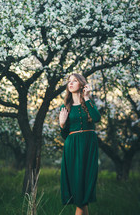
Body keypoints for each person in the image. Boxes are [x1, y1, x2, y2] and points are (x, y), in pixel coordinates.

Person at [59, 73, 101, 215]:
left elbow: (96, 118)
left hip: (89, 146)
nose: (70, 83)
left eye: (74, 81)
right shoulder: (65, 107)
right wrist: (62, 124)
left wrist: (87, 97)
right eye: (69, 81)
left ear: (82, 84)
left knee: (85, 189)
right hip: (73, 147)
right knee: (79, 191)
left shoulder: (88, 103)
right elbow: (64, 135)